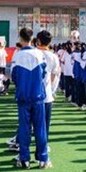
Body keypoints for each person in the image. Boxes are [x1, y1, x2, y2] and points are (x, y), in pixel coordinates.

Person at [11, 28, 48, 169]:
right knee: (40, 128)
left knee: (24, 128)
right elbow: (44, 74)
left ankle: (24, 159)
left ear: (20, 38)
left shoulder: (18, 55)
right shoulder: (40, 54)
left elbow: (14, 76)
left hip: (23, 96)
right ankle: (43, 159)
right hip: (38, 96)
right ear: (32, 38)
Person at [37, 30, 59, 162]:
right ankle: (43, 147)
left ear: (38, 41)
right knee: (45, 123)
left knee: (29, 122)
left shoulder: (33, 53)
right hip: (46, 93)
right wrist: (50, 87)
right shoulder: (53, 56)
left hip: (33, 94)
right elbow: (54, 75)